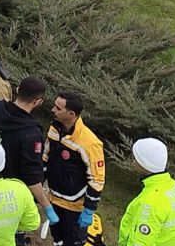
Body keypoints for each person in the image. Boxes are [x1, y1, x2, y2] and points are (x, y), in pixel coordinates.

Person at [0, 76, 55, 245]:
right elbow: (32, 174)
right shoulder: (30, 133)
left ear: (17, 89)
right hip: (9, 198)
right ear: (38, 101)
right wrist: (45, 204)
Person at [44, 92, 105, 246]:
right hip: (53, 199)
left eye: (58, 108)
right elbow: (45, 158)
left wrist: (89, 210)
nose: (53, 110)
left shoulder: (90, 143)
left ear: (71, 114)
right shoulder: (54, 128)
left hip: (74, 206)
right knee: (57, 240)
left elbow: (97, 179)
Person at [118, 138, 175, 246]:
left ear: (145, 164)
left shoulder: (150, 203)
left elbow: (140, 242)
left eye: (135, 158)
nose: (133, 162)